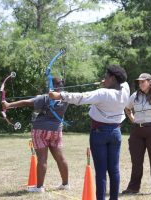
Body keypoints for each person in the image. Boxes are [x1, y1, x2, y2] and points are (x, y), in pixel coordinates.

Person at [49, 64, 130, 200]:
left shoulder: (102, 93)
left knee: (101, 171)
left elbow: (81, 97)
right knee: (114, 170)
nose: (104, 78)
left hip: (99, 133)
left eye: (106, 76)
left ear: (113, 78)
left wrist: (59, 95)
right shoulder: (125, 89)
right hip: (116, 132)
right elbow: (123, 81)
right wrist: (108, 83)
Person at [2, 78, 69, 193]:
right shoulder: (66, 97)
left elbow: (27, 102)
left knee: (42, 159)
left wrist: (8, 104)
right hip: (56, 131)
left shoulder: (46, 97)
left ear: (52, 85)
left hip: (40, 130)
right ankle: (65, 184)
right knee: (60, 158)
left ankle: (39, 187)